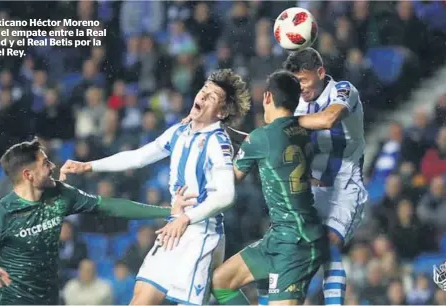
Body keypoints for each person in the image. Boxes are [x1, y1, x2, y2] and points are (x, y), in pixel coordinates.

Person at [59, 69, 251, 305]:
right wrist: (89, 166)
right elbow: (138, 157)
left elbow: (226, 195)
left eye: (211, 97)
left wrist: (186, 218)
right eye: (203, 91)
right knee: (140, 300)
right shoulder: (179, 131)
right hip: (175, 228)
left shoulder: (217, 143)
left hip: (201, 234)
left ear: (221, 112)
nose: (202, 96)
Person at [158, 70, 328, 305]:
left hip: (297, 243)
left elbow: (227, 182)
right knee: (220, 282)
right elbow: (260, 141)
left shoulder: (261, 139)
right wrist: (223, 129)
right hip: (280, 236)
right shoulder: (300, 132)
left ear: (267, 97)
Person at [0, 138, 188, 305]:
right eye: (45, 163)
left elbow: (110, 206)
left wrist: (167, 211)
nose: (53, 166)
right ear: (28, 174)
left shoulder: (61, 195)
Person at [257, 48, 368, 306]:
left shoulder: (343, 90)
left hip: (344, 186)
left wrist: (287, 123)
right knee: (289, 249)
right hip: (311, 187)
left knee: (329, 245)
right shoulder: (297, 103)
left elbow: (329, 119)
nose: (301, 88)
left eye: (304, 80)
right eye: (296, 83)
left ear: (320, 72)